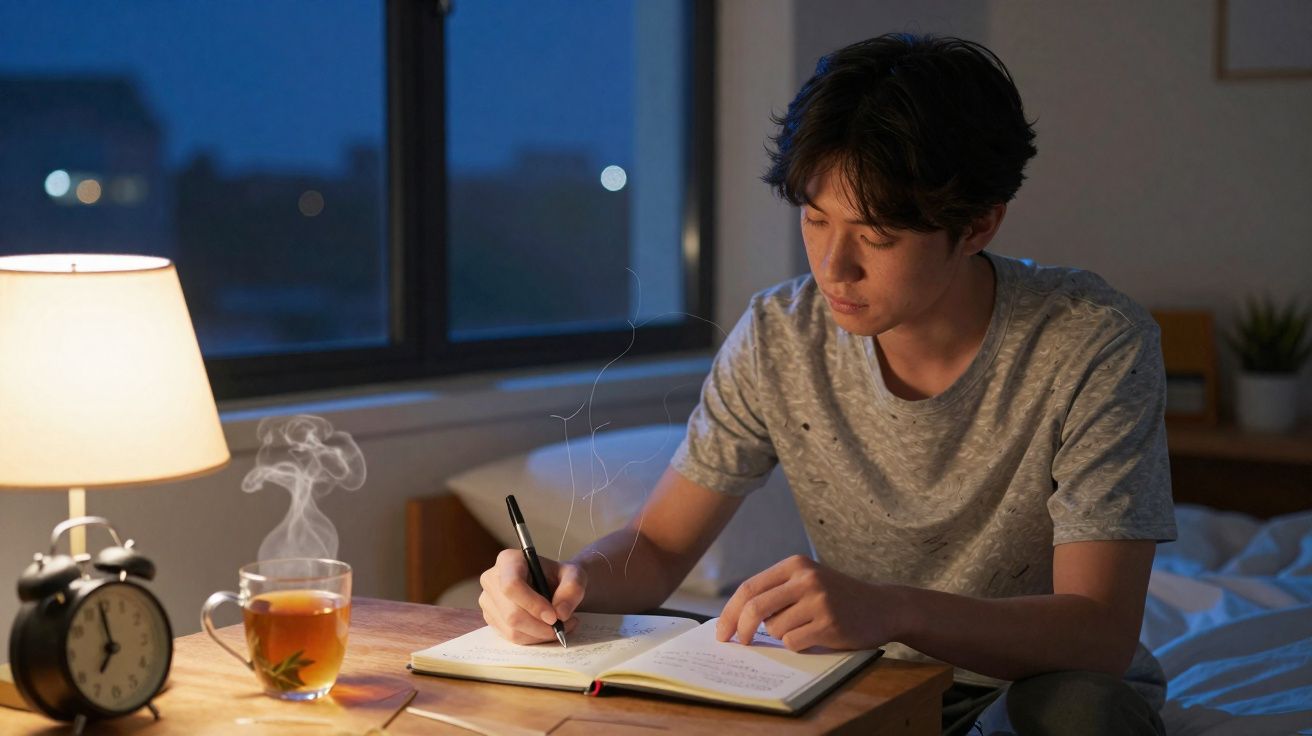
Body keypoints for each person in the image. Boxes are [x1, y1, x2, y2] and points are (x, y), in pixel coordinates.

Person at [478, 33, 1175, 736]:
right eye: (815, 218)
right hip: (859, 684)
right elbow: (659, 548)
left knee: (1080, 718)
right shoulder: (781, 336)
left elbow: (1100, 631)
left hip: (1039, 690)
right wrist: (573, 582)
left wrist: (895, 609)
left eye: (875, 236)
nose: (833, 266)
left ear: (976, 226)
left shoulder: (1093, 342)